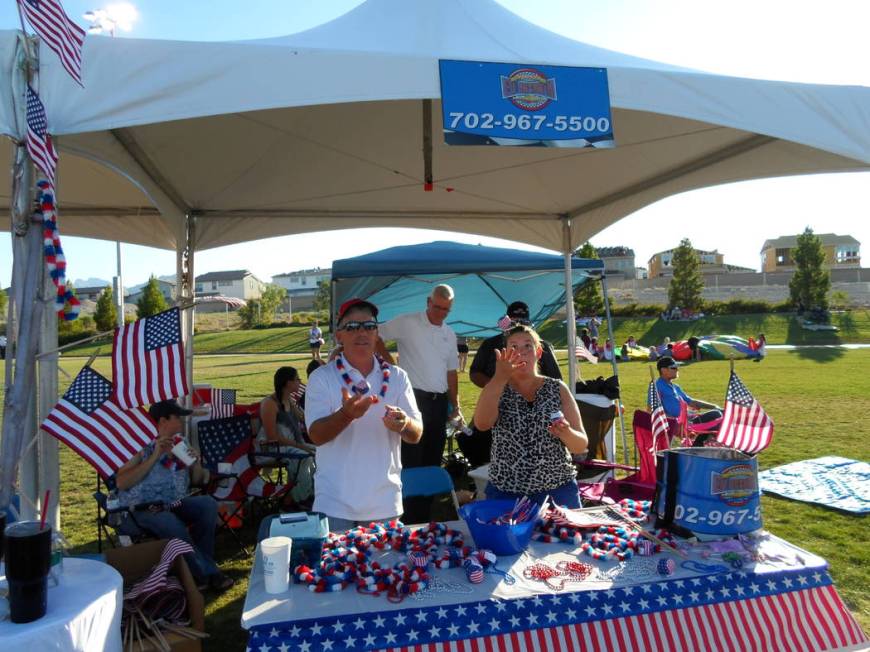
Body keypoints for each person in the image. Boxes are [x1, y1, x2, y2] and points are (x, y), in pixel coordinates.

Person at [306, 298, 423, 532]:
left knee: (385, 567)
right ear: (339, 335)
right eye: (352, 327)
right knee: (336, 569)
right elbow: (316, 436)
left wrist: (403, 424)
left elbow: (416, 433)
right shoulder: (322, 377)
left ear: (377, 333)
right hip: (334, 504)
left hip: (384, 502)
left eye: (369, 326)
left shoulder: (398, 377)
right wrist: (346, 415)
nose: (362, 332)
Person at [115, 400, 233, 591]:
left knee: (207, 504)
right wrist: (155, 455)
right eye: (177, 417)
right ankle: (209, 574)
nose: (182, 422)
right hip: (143, 507)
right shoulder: (141, 444)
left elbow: (199, 480)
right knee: (171, 524)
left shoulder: (180, 443)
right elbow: (122, 482)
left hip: (174, 502)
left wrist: (195, 463)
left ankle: (196, 570)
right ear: (163, 420)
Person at [473, 324, 588, 508]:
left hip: (558, 492)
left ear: (539, 352)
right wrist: (499, 378)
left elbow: (580, 445)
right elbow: (482, 424)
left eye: (528, 345)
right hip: (506, 493)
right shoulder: (496, 387)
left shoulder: (557, 388)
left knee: (567, 538)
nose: (521, 352)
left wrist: (566, 433)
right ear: (505, 354)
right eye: (514, 347)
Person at [466, 301, 563, 468]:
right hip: (497, 406)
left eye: (526, 346)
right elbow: (475, 373)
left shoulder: (542, 345)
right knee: (479, 439)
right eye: (514, 322)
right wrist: (497, 386)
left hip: (536, 409)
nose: (521, 350)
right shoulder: (490, 344)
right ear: (507, 321)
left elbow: (556, 379)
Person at [376, 285, 459, 472]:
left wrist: (456, 406)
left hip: (439, 403)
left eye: (446, 309)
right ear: (428, 302)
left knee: (434, 454)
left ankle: (427, 499)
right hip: (413, 398)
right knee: (411, 456)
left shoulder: (449, 333)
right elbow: (375, 335)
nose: (441, 313)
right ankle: (408, 499)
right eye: (437, 307)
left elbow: (451, 373)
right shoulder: (407, 321)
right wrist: (390, 363)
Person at [256, 366, 316, 505]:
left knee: (321, 452)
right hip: (272, 448)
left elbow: (303, 418)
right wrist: (301, 446)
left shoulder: (288, 400)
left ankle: (310, 493)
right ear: (288, 383)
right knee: (305, 457)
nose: (300, 382)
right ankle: (293, 499)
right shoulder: (270, 404)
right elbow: (272, 437)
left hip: (291, 445)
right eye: (297, 379)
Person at [650, 356, 723, 432]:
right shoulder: (656, 386)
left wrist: (714, 406)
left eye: (677, 367)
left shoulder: (676, 387)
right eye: (673, 368)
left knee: (722, 412)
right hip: (679, 424)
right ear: (663, 370)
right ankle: (703, 442)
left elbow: (692, 402)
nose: (677, 369)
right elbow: (652, 409)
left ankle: (700, 442)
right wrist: (673, 421)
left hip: (689, 419)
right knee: (716, 415)